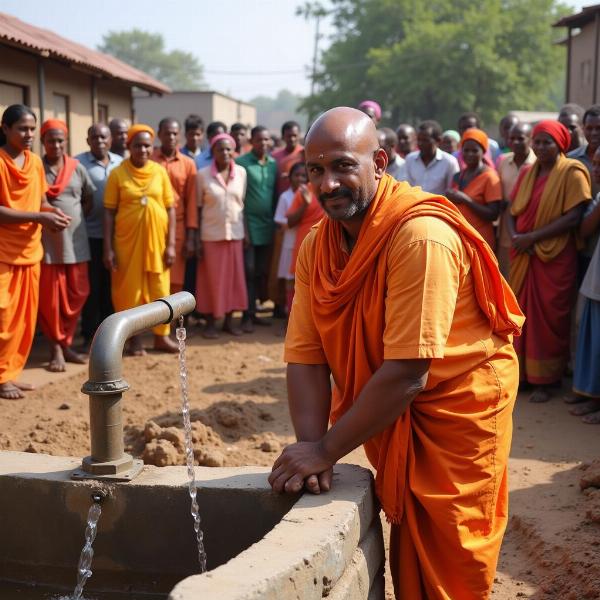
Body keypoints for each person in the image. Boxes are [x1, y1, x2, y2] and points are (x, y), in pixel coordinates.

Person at [268, 107, 523, 600]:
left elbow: (408, 371)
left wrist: (324, 451)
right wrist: (311, 449)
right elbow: (305, 355)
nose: (327, 184)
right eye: (315, 171)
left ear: (379, 161)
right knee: (409, 541)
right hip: (393, 406)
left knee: (452, 555)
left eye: (343, 165)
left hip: (456, 408)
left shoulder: (420, 237)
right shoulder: (318, 244)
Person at [507, 120, 591, 403]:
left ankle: (548, 380)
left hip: (554, 256)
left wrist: (532, 237)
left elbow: (574, 216)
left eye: (547, 142)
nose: (541, 147)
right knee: (521, 315)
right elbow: (511, 210)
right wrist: (517, 236)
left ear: (561, 145)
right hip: (525, 253)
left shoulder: (573, 172)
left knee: (550, 319)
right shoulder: (528, 173)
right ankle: (524, 377)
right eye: (538, 142)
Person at [0, 105, 70, 399]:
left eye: (32, 129)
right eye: (22, 129)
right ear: (5, 129)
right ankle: (2, 376)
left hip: (31, 252)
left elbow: (39, 200)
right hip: (3, 252)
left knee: (25, 320)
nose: (29, 134)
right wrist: (40, 218)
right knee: (4, 317)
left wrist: (52, 212)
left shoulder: (35, 163)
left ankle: (10, 374)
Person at [103, 124, 178, 355]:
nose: (143, 150)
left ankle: (161, 337)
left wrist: (172, 244)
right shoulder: (117, 173)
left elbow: (171, 208)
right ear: (129, 147)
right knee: (129, 291)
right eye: (137, 145)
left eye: (147, 145)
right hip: (127, 244)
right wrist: (108, 248)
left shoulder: (160, 172)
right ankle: (133, 339)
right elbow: (108, 212)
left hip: (157, 244)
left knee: (159, 288)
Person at [39, 119, 94, 372]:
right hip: (48, 246)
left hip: (76, 242)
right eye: (51, 140)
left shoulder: (76, 167)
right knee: (52, 301)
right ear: (43, 142)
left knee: (78, 293)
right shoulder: (35, 167)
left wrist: (73, 220)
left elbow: (88, 198)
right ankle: (56, 348)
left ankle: (68, 342)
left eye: (60, 140)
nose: (56, 145)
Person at [196, 133, 248, 338]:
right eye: (220, 149)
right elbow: (198, 208)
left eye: (228, 149)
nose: (225, 153)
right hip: (211, 235)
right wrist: (195, 238)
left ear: (233, 151)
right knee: (211, 281)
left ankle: (228, 321)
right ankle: (210, 322)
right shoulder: (202, 175)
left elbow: (241, 203)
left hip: (235, 233)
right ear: (213, 152)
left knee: (234, 280)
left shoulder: (242, 173)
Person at [76, 123, 123, 350]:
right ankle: (89, 336)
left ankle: (110, 339)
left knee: (112, 288)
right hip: (90, 236)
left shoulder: (120, 163)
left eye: (104, 137)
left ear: (111, 140)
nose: (100, 141)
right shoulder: (78, 163)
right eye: (95, 137)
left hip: (118, 237)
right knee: (92, 288)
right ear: (88, 141)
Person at [235, 125, 278, 332]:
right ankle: (246, 315)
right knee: (248, 271)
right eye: (259, 140)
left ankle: (255, 311)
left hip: (267, 226)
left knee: (261, 271)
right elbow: (239, 199)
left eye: (266, 140)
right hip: (248, 226)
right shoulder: (241, 164)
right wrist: (244, 230)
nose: (263, 144)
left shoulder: (273, 164)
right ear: (251, 141)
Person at [570, 146, 600, 424]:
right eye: (595, 164)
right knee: (592, 338)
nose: (596, 171)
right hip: (596, 276)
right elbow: (585, 230)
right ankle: (592, 397)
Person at [151, 118, 198, 294]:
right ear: (159, 134)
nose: (171, 137)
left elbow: (191, 201)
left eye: (174, 133)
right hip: (153, 225)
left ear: (179, 136)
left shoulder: (188, 163)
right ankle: (153, 320)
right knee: (154, 276)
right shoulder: (149, 159)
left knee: (176, 280)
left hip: (178, 227)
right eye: (167, 133)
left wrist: (191, 237)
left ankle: (171, 321)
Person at [446, 129, 502, 250]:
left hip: (480, 240)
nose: (470, 154)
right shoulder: (459, 175)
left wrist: (466, 200)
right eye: (466, 150)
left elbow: (493, 214)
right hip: (459, 239)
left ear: (483, 151)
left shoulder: (490, 177)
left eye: (474, 150)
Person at [496, 122, 536, 278]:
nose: (515, 142)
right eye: (512, 138)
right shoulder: (503, 161)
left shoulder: (538, 163)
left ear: (530, 139)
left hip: (529, 228)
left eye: (520, 138)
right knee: (505, 275)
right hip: (506, 227)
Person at [568, 104, 600, 278]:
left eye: (598, 128)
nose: (594, 133)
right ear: (583, 129)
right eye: (589, 128)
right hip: (581, 244)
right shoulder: (571, 160)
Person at [273, 162, 308, 313]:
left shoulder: (312, 194)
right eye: (297, 175)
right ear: (290, 178)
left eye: (304, 176)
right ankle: (290, 315)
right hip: (290, 243)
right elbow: (280, 220)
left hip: (306, 244)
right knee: (290, 279)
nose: (300, 179)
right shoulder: (285, 197)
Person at [404, 120, 459, 194]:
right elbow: (405, 187)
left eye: (425, 140)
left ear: (438, 141)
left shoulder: (450, 162)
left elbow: (452, 191)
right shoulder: (410, 159)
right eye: (419, 140)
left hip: (438, 205)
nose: (420, 143)